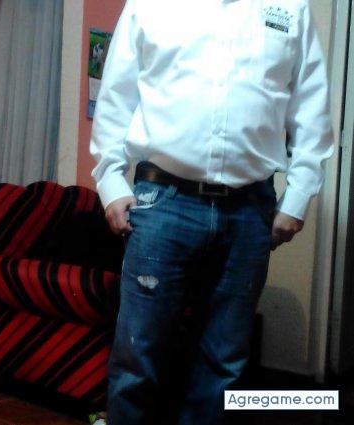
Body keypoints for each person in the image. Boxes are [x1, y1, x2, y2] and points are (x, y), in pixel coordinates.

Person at [89, 0, 334, 424]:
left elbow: (311, 108)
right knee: (138, 360)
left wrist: (298, 198)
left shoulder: (291, 7)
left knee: (224, 363)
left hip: (250, 212)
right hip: (162, 204)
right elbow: (115, 97)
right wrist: (110, 182)